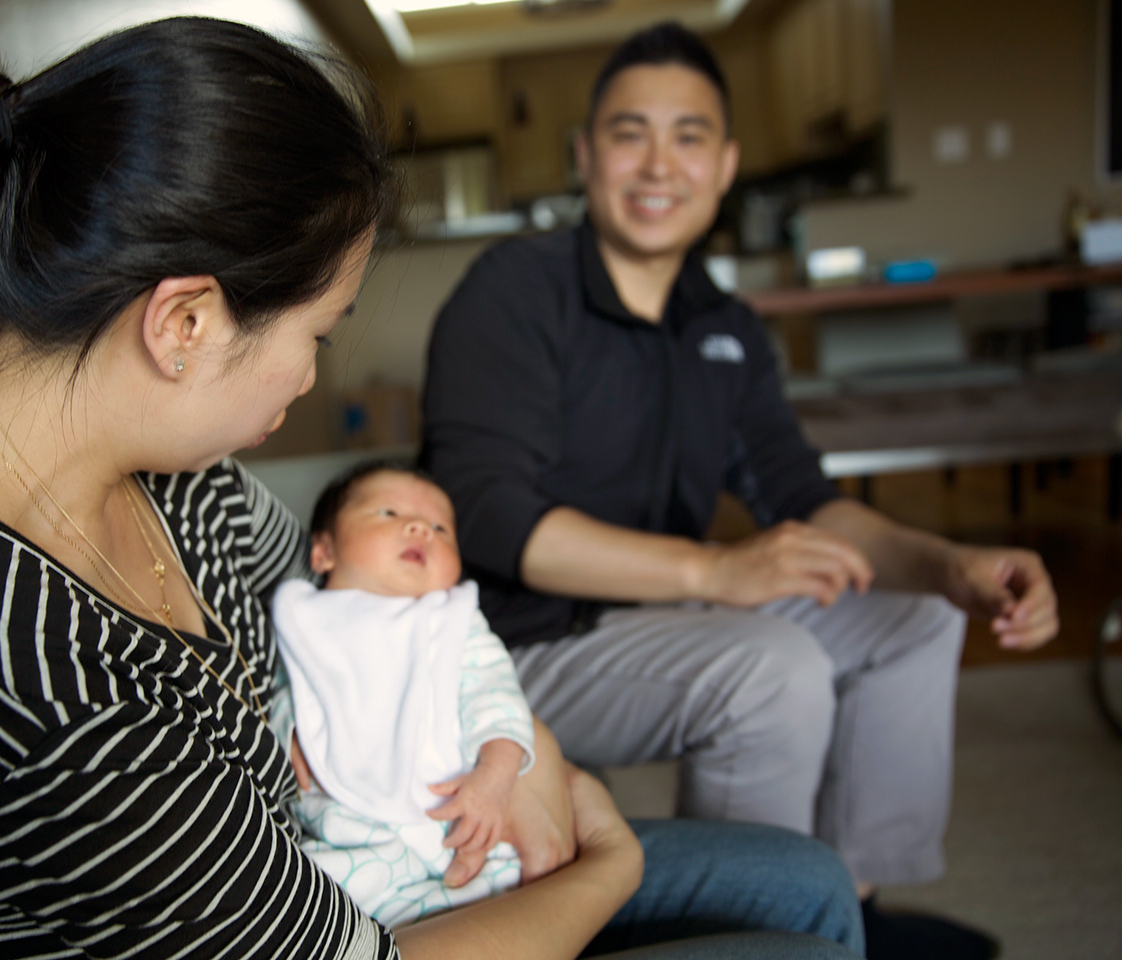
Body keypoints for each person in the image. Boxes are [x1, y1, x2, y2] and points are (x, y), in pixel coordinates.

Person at [0, 16, 865, 960]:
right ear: (185, 322)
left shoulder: (173, 477)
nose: (312, 378)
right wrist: (608, 863)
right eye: (318, 335)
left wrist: (539, 759)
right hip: (352, 927)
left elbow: (381, 607)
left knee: (806, 883)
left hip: (378, 863)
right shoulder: (41, 696)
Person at [421, 21, 1059, 960]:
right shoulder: (515, 288)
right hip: (511, 640)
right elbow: (486, 511)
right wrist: (713, 572)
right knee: (772, 667)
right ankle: (733, 931)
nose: (658, 164)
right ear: (586, 155)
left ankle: (847, 909)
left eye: (688, 137)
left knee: (916, 616)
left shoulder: (725, 325)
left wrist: (948, 562)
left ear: (723, 166)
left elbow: (801, 495)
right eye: (631, 133)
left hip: (652, 612)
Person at [273, 463, 534, 927]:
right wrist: (290, 728)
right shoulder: (305, 621)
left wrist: (495, 776)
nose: (420, 528)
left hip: (454, 818)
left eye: (440, 527)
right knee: (308, 900)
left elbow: (495, 695)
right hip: (350, 832)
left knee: (507, 891)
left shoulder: (453, 622)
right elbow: (279, 693)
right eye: (388, 513)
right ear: (324, 551)